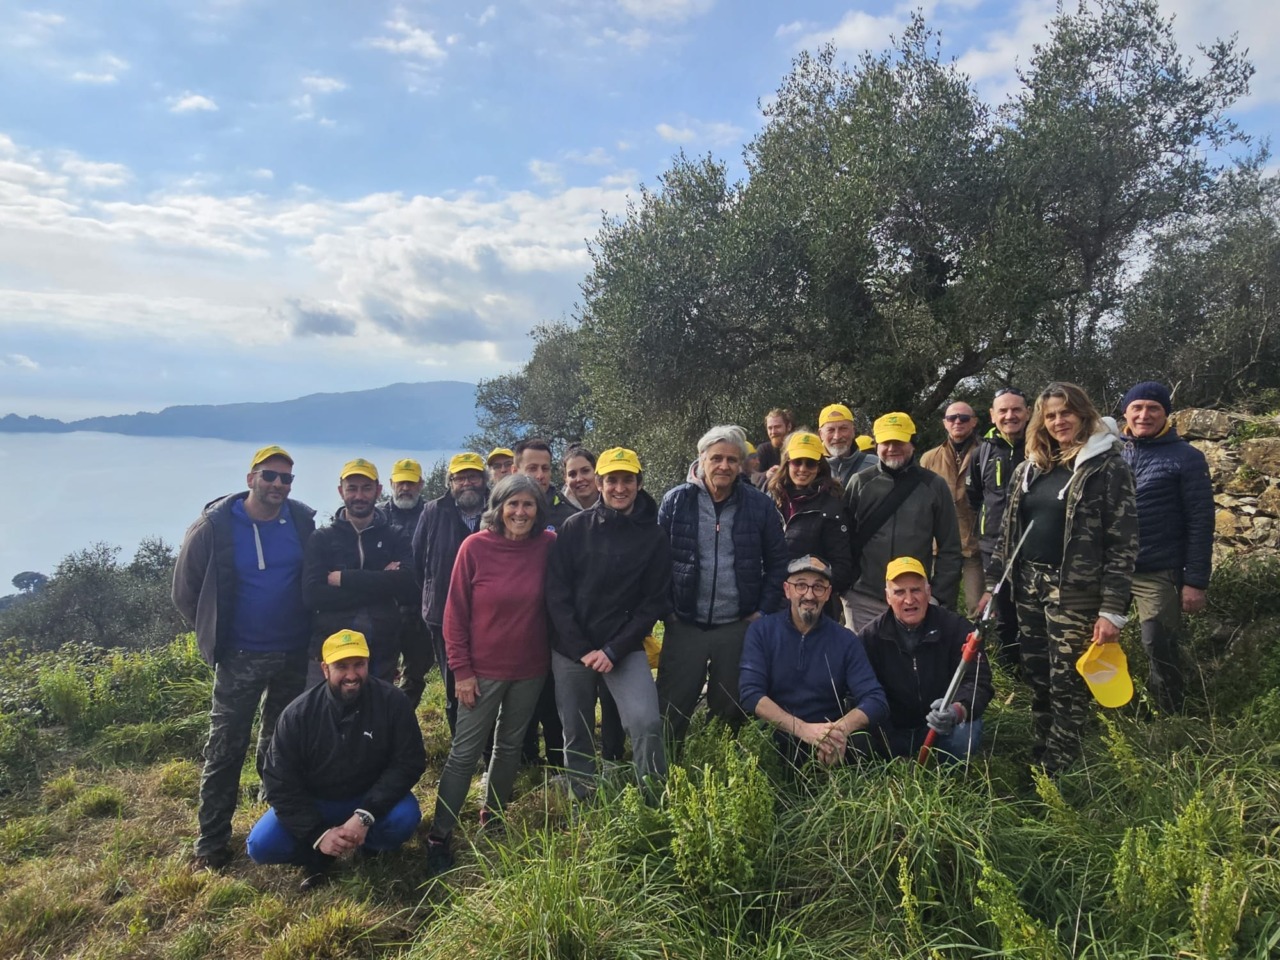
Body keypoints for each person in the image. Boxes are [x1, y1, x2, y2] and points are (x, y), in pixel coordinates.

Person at [173, 444, 315, 870]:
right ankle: (212, 841)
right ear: (250, 477)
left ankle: (275, 821)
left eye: (285, 478)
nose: (277, 485)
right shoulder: (215, 526)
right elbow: (185, 591)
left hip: (292, 651)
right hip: (239, 655)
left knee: (281, 742)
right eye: (269, 475)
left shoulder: (302, 521)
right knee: (224, 749)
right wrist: (215, 632)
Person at [985, 382, 1138, 773]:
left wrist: (1112, 610)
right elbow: (1008, 533)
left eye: (1066, 413)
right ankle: (1042, 750)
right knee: (1037, 676)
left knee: (1068, 682)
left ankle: (1062, 768)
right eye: (1050, 415)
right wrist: (993, 584)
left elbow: (1123, 543)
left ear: (1083, 414)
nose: (1058, 422)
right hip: (1029, 587)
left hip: (1076, 591)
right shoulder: (1029, 467)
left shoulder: (1107, 467)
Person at [425, 475, 555, 876]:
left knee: (510, 746)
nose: (520, 512)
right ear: (497, 508)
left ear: (538, 511)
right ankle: (439, 834)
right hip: (480, 672)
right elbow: (454, 616)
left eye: (528, 505)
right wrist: (462, 671)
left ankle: (492, 816)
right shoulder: (475, 547)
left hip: (530, 667)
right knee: (465, 753)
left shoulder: (548, 546)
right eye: (511, 504)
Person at [246, 629, 427, 891]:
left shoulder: (393, 702)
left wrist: (365, 815)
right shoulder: (297, 714)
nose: (351, 675)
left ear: (368, 664)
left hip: (368, 799)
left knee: (405, 817)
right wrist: (316, 833)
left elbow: (409, 761)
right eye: (341, 666)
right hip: (316, 803)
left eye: (359, 665)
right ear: (325, 669)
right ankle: (319, 853)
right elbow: (279, 781)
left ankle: (369, 848)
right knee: (260, 846)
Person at [545, 447, 671, 797]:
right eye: (611, 480)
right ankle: (583, 800)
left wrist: (614, 649)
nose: (619, 488)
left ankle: (654, 800)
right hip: (572, 648)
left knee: (646, 722)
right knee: (577, 728)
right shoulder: (574, 528)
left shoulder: (654, 536)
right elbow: (556, 593)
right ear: (599, 483)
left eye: (627, 480)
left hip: (624, 647)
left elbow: (653, 603)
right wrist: (582, 648)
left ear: (639, 482)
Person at [656, 424, 790, 744]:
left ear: (741, 464)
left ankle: (720, 771)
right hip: (685, 623)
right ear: (701, 459)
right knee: (671, 706)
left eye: (732, 460)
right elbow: (655, 562)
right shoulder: (676, 502)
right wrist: (668, 611)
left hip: (737, 624)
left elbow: (778, 563)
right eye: (716, 458)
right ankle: (662, 776)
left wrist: (762, 611)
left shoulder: (759, 506)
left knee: (730, 710)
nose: (724, 466)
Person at [738, 556, 888, 768]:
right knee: (753, 747)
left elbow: (875, 699)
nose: (809, 595)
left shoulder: (846, 640)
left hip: (830, 741)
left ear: (828, 594)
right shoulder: (762, 631)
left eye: (818, 587)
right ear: (787, 590)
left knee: (864, 743)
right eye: (801, 585)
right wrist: (804, 730)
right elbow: (751, 695)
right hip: (780, 734)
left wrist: (838, 732)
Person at [1121, 381, 1214, 713]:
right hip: (1111, 568)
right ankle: (1112, 706)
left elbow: (1201, 522)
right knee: (1095, 638)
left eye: (1153, 408)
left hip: (1157, 568)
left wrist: (1196, 581)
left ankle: (1169, 713)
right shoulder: (1109, 452)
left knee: (1158, 643)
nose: (1144, 415)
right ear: (1125, 412)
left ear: (1166, 414)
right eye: (1137, 408)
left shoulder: (1187, 458)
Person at [859, 558, 993, 761]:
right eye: (899, 592)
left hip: (942, 728)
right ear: (887, 597)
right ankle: (895, 758)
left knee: (964, 735)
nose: (909, 600)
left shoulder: (957, 628)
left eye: (916, 590)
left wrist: (957, 710)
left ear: (928, 592)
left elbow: (978, 680)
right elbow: (860, 693)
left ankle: (949, 777)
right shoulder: (869, 638)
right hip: (893, 729)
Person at [841, 412, 962, 631]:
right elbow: (842, 540)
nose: (892, 448)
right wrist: (847, 588)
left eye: (899, 441)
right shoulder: (859, 483)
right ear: (877, 445)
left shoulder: (934, 486)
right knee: (862, 663)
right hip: (863, 599)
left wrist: (938, 597)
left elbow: (950, 548)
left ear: (912, 443)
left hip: (913, 600)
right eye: (886, 442)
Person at [302, 459, 416, 684]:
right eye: (352, 488)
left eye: (366, 488)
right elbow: (313, 596)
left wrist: (344, 578)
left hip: (381, 650)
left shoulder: (395, 535)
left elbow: (408, 587)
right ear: (340, 491)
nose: (359, 496)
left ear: (379, 490)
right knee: (324, 716)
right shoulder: (323, 539)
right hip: (329, 651)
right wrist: (383, 583)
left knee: (376, 717)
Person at [410, 452, 487, 733]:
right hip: (443, 616)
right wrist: (435, 592)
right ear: (450, 482)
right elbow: (419, 562)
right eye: (460, 477)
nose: (467, 483)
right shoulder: (433, 511)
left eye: (473, 476)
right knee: (455, 684)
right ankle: (462, 747)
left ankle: (491, 747)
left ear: (483, 479)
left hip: (489, 617)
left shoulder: (497, 508)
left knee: (489, 682)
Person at [513, 437, 571, 765]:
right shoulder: (503, 511)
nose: (540, 474)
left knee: (553, 694)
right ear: (515, 469)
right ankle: (523, 758)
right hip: (517, 622)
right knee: (520, 695)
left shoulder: (565, 511)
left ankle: (557, 757)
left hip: (555, 621)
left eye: (545, 468)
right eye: (532, 467)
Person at [968, 386, 1030, 672]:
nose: (1010, 415)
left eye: (1016, 409)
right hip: (993, 546)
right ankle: (1010, 672)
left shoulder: (1040, 445)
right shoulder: (982, 452)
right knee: (1003, 612)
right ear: (992, 416)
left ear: (1028, 412)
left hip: (1032, 544)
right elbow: (976, 496)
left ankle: (1037, 671)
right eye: (1003, 410)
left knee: (1033, 610)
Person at [766, 430, 854, 617]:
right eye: (797, 462)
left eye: (810, 463)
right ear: (787, 463)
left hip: (812, 608)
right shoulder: (770, 499)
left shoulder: (833, 505)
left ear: (820, 466)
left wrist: (815, 577)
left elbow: (843, 569)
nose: (803, 469)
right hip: (771, 602)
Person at [920, 402, 984, 615]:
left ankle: (978, 647)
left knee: (977, 605)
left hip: (975, 545)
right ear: (945, 424)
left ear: (974, 422)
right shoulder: (929, 458)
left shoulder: (986, 454)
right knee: (939, 604)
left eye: (964, 418)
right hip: (941, 546)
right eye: (952, 418)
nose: (958, 422)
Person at [384, 458, 433, 707]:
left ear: (421, 484)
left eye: (411, 483)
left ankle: (402, 719)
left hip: (420, 607)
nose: (405, 488)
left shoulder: (432, 513)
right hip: (384, 608)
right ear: (392, 483)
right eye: (401, 482)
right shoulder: (378, 514)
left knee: (415, 674)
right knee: (382, 672)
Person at [819, 403, 877, 487]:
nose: (837, 436)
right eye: (831, 430)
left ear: (853, 431)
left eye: (843, 429)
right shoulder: (810, 468)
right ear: (821, 434)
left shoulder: (874, 465)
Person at [756, 408, 794, 477]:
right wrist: (766, 474)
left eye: (777, 427)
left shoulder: (797, 448)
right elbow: (753, 477)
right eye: (770, 428)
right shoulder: (764, 450)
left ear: (789, 427)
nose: (773, 432)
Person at [561, 446, 600, 511]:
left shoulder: (614, 504)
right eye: (572, 474)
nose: (579, 479)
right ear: (565, 479)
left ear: (596, 472)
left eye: (585, 471)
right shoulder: (558, 513)